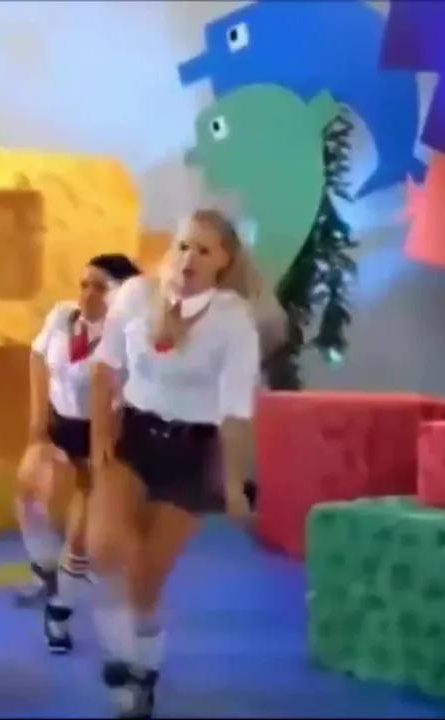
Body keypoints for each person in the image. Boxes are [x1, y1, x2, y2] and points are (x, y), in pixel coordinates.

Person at [86, 209, 278, 719]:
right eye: (184, 245)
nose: (189, 257)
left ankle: (144, 668)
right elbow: (104, 368)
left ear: (224, 262)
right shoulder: (135, 295)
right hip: (134, 434)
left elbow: (235, 412)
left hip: (193, 450)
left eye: (204, 250)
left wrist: (233, 484)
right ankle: (120, 648)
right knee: (105, 546)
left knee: (146, 577)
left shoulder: (233, 321)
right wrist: (100, 435)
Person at [15, 253, 142, 654]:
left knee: (82, 533)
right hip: (60, 426)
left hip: (101, 435)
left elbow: (124, 402)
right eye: (84, 285)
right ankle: (45, 571)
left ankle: (60, 611)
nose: (87, 294)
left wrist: (102, 453)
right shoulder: (61, 317)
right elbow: (37, 357)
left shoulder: (128, 340)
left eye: (100, 288)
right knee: (28, 488)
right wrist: (37, 424)